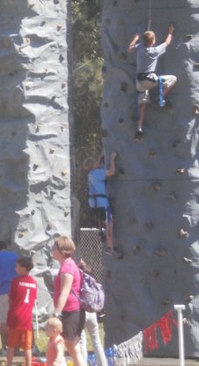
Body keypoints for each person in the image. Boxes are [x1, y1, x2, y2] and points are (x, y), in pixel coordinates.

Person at [127, 23, 177, 139]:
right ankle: (160, 97)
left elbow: (129, 49)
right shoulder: (155, 51)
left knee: (142, 104)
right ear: (153, 41)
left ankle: (139, 127)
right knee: (173, 79)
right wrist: (170, 32)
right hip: (150, 79)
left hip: (139, 82)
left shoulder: (139, 47)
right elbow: (167, 43)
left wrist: (135, 39)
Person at [51, 236, 86, 366]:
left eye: (54, 248)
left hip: (70, 311)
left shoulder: (67, 267)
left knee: (72, 348)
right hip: (71, 311)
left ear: (61, 250)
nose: (52, 251)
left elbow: (64, 292)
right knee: (71, 348)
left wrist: (56, 314)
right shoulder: (68, 265)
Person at [83, 150, 122, 258]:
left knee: (100, 217)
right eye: (96, 162)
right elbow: (111, 172)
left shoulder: (90, 174)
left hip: (93, 202)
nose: (99, 163)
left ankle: (100, 231)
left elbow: (97, 167)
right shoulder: (98, 172)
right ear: (93, 165)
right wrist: (112, 159)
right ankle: (110, 247)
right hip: (102, 202)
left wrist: (100, 158)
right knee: (110, 223)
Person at [6, 256, 38, 366]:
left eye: (17, 267)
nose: (16, 268)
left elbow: (10, 298)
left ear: (24, 268)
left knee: (11, 345)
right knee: (27, 347)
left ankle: (9, 364)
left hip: (15, 316)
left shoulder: (16, 281)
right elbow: (33, 300)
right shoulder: (34, 283)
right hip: (27, 319)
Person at [78, 260, 107, 366]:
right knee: (97, 341)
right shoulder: (93, 281)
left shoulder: (79, 281)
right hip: (92, 313)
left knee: (82, 341)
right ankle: (103, 364)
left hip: (81, 312)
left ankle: (83, 364)